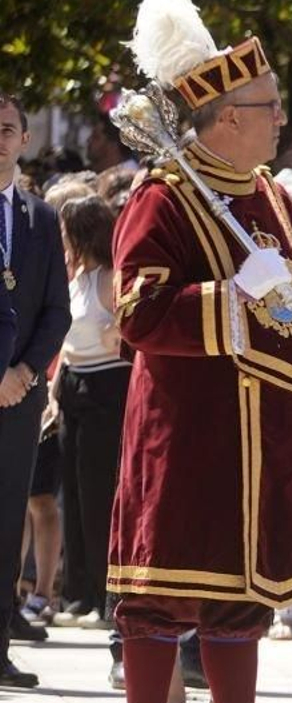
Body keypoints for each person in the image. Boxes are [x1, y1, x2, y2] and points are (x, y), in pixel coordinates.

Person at [109, 0, 292, 703]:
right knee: (162, 593)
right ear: (227, 115)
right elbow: (137, 313)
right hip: (189, 429)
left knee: (243, 598)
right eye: (269, 106)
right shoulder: (161, 196)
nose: (281, 116)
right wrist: (229, 297)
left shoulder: (269, 194)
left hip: (265, 423)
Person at [0, 93, 69, 689]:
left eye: (7, 130)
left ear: (24, 140)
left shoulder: (41, 219)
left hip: (20, 395)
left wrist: (23, 372)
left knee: (6, 520)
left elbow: (56, 310)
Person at [53, 195, 131, 641]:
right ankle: (76, 592)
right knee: (74, 493)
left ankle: (102, 595)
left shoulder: (110, 280)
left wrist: (114, 330)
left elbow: (124, 330)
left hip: (106, 389)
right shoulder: (78, 278)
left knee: (99, 493)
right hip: (74, 386)